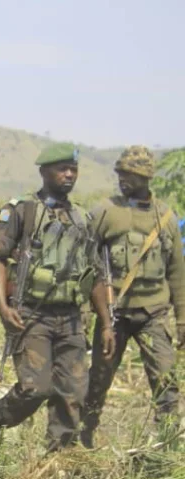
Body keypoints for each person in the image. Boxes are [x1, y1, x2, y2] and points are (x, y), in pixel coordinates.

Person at [0, 144, 114, 452]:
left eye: (73, 169)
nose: (69, 175)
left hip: (71, 318)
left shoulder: (81, 218)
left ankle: (58, 459)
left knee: (73, 393)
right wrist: (2, 307)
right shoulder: (23, 210)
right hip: (32, 315)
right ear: (44, 172)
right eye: (62, 169)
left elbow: (96, 275)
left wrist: (106, 323)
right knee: (35, 389)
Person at [81, 146, 185, 447]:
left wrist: (182, 321)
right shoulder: (105, 213)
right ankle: (83, 438)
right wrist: (85, 313)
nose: (123, 179)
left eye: (130, 174)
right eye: (120, 173)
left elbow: (177, 272)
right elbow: (85, 266)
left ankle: (167, 446)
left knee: (166, 381)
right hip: (113, 315)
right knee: (98, 380)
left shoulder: (165, 217)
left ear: (146, 177)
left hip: (154, 314)